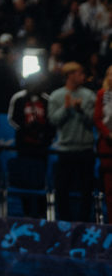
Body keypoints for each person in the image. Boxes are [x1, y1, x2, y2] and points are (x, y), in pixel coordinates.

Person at [47, 60, 96, 221]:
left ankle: (84, 222)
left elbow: (92, 121)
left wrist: (80, 111)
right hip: (65, 150)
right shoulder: (56, 96)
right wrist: (66, 108)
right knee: (62, 189)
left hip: (85, 149)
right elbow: (53, 120)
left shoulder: (89, 96)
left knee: (86, 190)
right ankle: (65, 223)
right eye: (80, 73)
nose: (83, 76)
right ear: (70, 75)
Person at [7, 74, 55, 218]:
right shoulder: (19, 98)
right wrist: (25, 129)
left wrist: (43, 135)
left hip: (41, 148)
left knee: (40, 181)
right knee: (25, 181)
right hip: (24, 147)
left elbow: (52, 122)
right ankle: (26, 213)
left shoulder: (47, 99)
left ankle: (41, 215)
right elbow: (12, 119)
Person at [93, 64, 112, 223]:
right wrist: (108, 134)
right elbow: (97, 119)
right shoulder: (101, 94)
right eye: (109, 74)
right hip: (107, 145)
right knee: (109, 187)